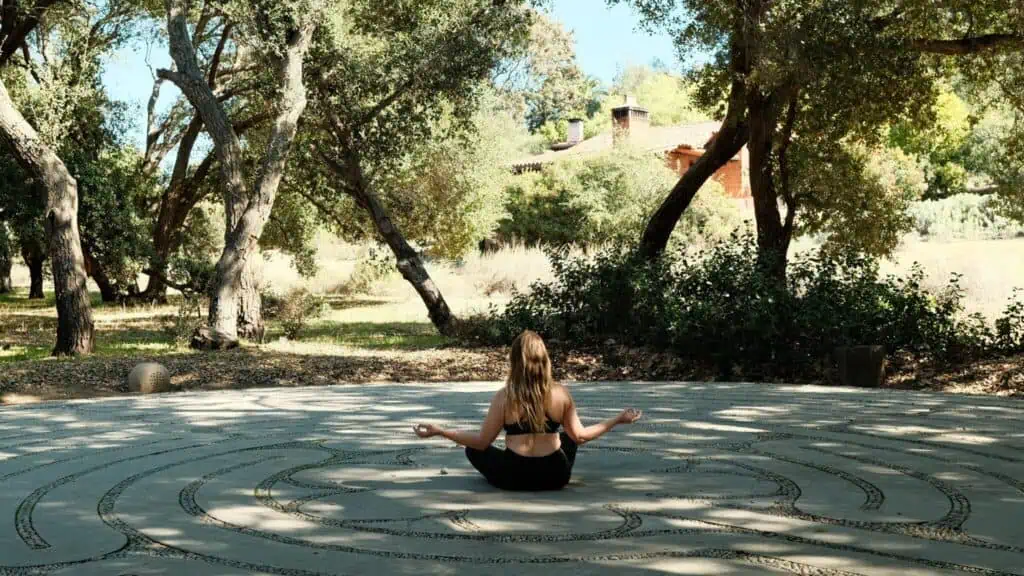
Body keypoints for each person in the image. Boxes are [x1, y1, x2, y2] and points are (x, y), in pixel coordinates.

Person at [413, 330, 642, 491]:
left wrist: (441, 431)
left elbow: (482, 442)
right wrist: (618, 419)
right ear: (545, 360)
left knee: (473, 450)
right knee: (569, 438)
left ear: (515, 361)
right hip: (555, 476)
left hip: (514, 477)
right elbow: (581, 436)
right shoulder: (561, 393)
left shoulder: (505, 396)